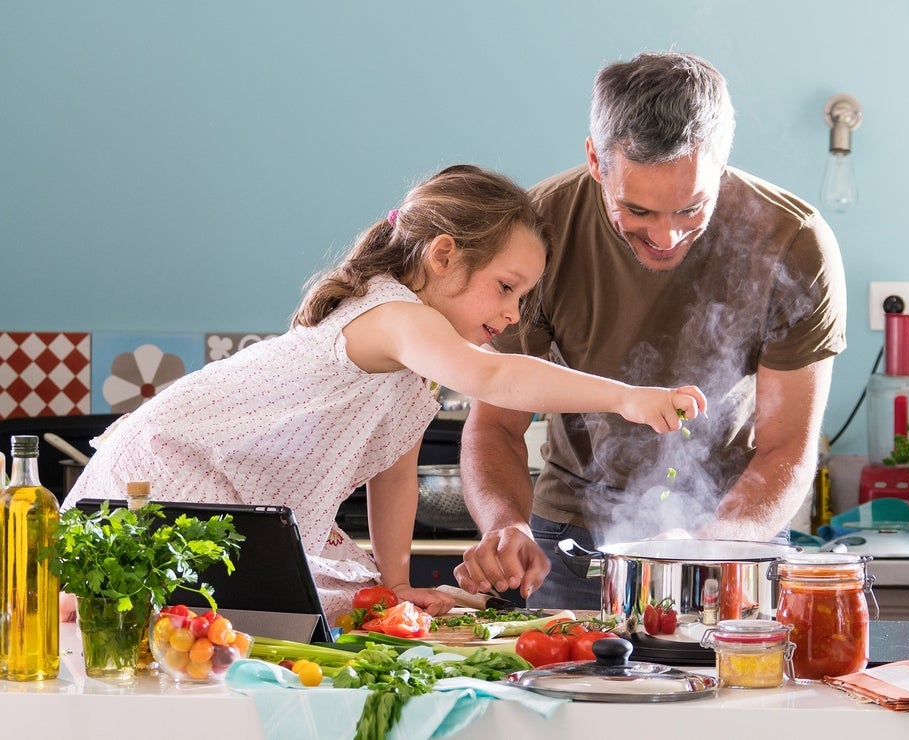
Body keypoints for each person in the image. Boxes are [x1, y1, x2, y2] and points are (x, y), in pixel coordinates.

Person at [60, 164, 706, 623]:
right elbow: (496, 377)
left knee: (345, 606)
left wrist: (396, 581)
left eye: (523, 297)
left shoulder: (412, 364)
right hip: (172, 468)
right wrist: (627, 397)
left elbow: (392, 477)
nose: (513, 314)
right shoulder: (396, 316)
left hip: (227, 491)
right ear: (444, 255)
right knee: (191, 618)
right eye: (506, 287)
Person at [454, 52, 847, 609]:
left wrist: (710, 549)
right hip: (572, 537)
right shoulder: (538, 232)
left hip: (735, 529)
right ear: (595, 160)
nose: (665, 237)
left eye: (692, 209)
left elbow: (787, 447)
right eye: (637, 211)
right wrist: (504, 525)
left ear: (722, 163)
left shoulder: (795, 242)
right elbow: (495, 422)